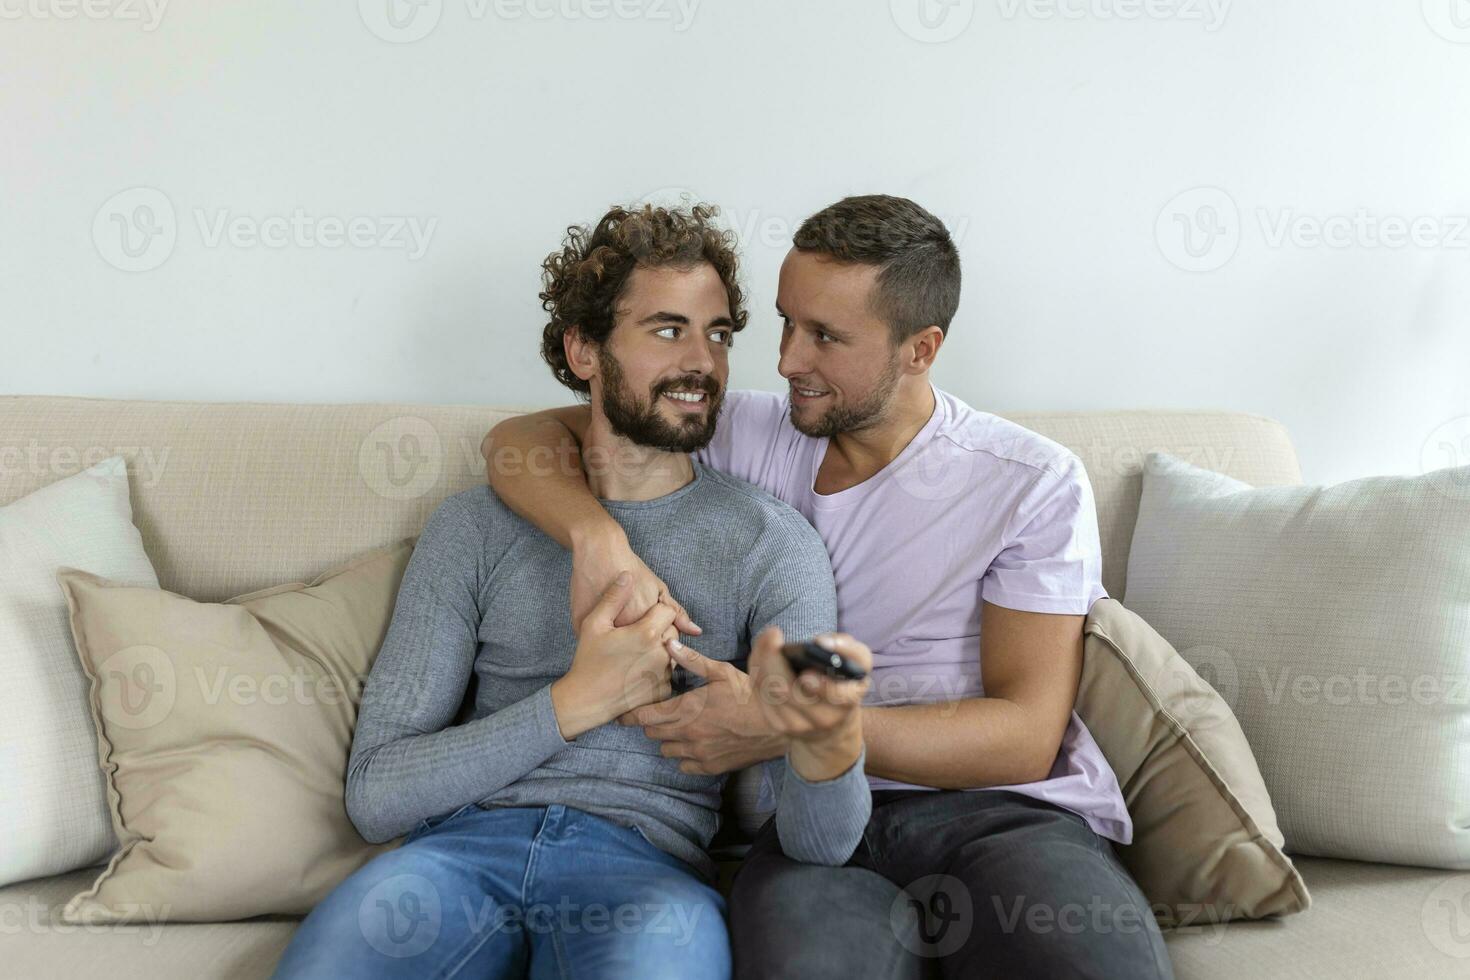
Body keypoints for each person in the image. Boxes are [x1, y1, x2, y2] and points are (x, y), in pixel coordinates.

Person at [483, 195, 1175, 979]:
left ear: (921, 348)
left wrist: (792, 725)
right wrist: (596, 539)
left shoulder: (1029, 482)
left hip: (1004, 816)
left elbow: (1023, 735)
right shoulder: (746, 431)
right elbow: (519, 440)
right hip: (814, 827)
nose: (785, 362)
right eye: (785, 322)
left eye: (825, 338)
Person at [271, 203, 872, 980]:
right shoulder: (473, 527)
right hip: (455, 858)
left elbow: (821, 844)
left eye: (718, 333)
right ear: (583, 349)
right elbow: (377, 795)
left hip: (647, 874)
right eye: (667, 329)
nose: (703, 362)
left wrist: (822, 739)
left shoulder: (772, 543)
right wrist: (579, 700)